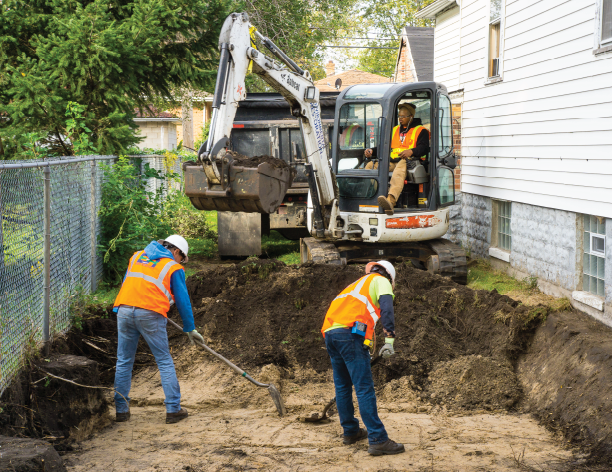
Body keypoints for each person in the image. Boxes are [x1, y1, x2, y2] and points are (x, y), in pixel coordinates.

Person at [112, 235, 204, 424]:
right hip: (150, 315)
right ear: (176, 251)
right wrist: (190, 328)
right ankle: (173, 410)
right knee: (164, 361)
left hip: (124, 310)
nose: (181, 262)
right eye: (183, 258)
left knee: (123, 361)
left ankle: (121, 410)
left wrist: (120, 309)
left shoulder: (137, 256)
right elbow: (183, 300)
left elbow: (128, 283)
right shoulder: (173, 267)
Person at [321, 261, 405, 456]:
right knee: (363, 387)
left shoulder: (356, 284)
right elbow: (386, 308)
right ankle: (378, 439)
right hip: (350, 335)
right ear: (389, 277)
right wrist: (389, 339)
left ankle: (350, 431)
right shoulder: (381, 281)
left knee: (343, 386)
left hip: (331, 335)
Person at [364, 104, 430, 215]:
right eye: (399, 116)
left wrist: (411, 151)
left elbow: (424, 148)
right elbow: (384, 146)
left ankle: (390, 201)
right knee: (370, 166)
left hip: (411, 161)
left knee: (399, 170)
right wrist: (372, 151)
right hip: (392, 160)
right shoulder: (394, 130)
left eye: (403, 116)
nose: (400, 118)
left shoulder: (420, 130)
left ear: (411, 117)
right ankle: (373, 196)